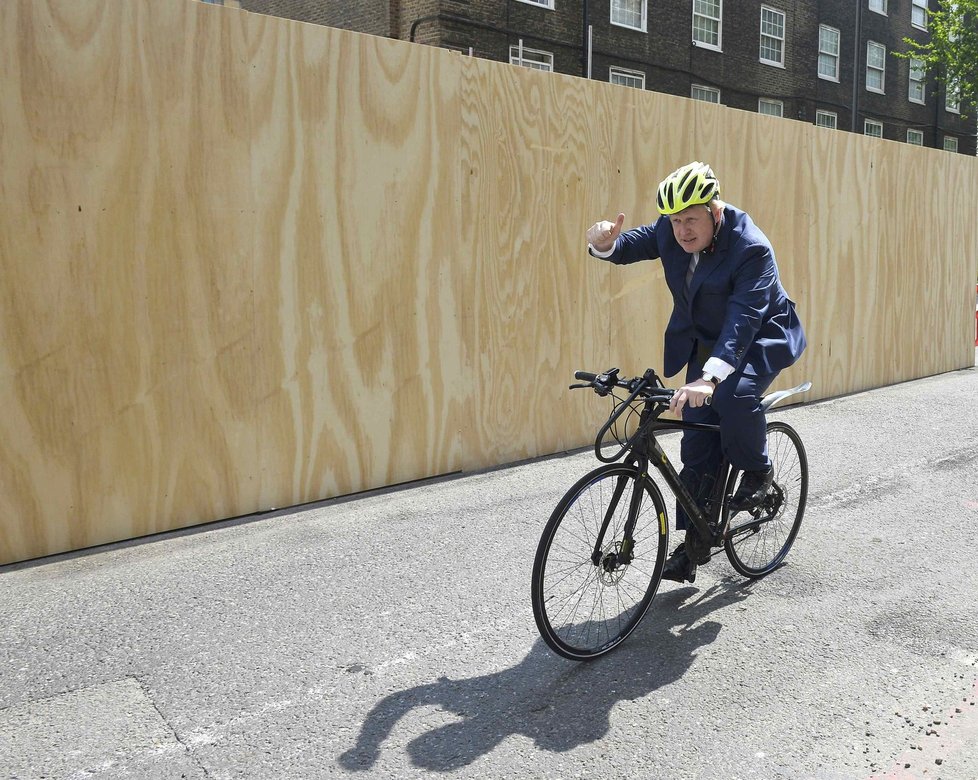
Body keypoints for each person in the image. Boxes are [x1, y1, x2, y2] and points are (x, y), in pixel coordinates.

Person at [585, 161, 806, 584]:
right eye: (674, 220)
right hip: (707, 339)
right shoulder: (672, 231)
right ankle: (693, 545)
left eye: (691, 219)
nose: (681, 230)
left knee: (732, 395)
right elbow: (632, 243)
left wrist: (710, 377)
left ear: (714, 210)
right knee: (696, 440)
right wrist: (605, 244)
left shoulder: (750, 247)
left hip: (762, 332)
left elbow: (743, 319)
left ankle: (758, 472)